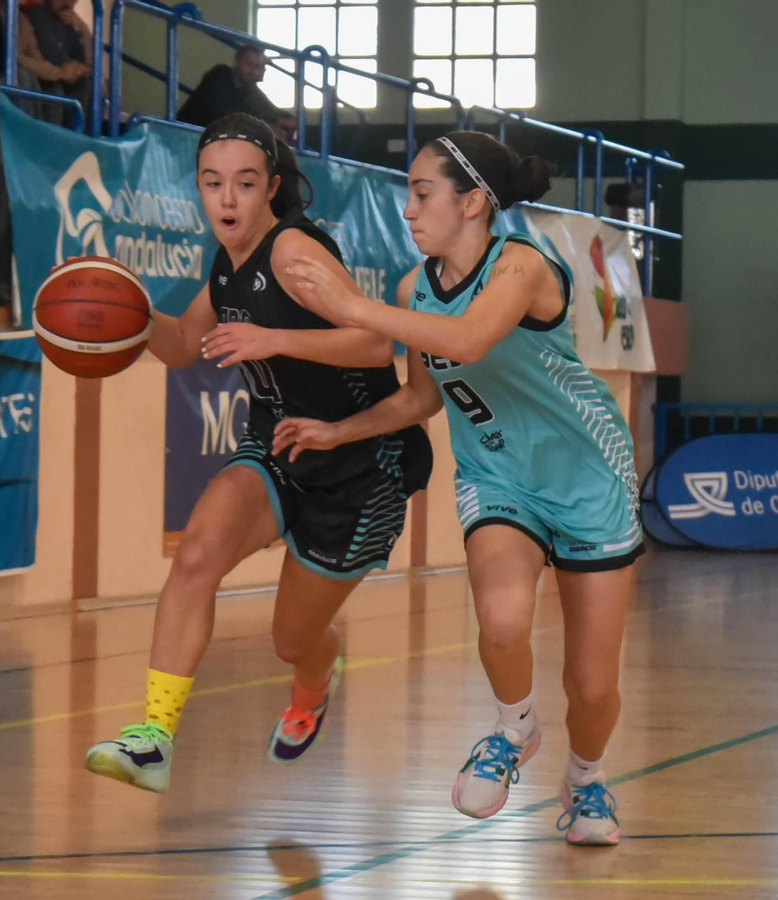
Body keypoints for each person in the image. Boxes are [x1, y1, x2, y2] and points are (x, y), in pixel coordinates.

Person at [277, 131, 641, 846]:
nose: (407, 209)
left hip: (588, 476)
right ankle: (515, 730)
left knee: (593, 687)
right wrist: (338, 429)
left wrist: (351, 307)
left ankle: (589, 779)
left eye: (421, 192)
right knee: (502, 624)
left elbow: (469, 340)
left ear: (473, 201)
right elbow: (422, 397)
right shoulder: (415, 290)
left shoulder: (523, 267)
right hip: (498, 476)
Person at [83, 113, 432, 793]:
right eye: (212, 184)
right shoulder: (227, 263)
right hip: (277, 444)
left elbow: (372, 344)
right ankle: (153, 738)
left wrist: (276, 341)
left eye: (244, 183)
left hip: (363, 464)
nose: (227, 199)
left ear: (271, 186)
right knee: (196, 554)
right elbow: (184, 344)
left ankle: (312, 685)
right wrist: (121, 307)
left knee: (292, 641)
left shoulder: (293, 253)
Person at [179, 43, 281, 129]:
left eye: (257, 66)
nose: (253, 71)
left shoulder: (251, 91)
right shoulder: (219, 74)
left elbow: (272, 114)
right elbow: (224, 112)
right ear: (236, 63)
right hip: (185, 133)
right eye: (248, 64)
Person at [24, 0, 90, 115]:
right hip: (42, 76)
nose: (67, 3)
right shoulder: (36, 15)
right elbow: (58, 60)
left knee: (92, 87)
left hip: (61, 78)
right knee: (57, 90)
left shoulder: (69, 25)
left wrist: (85, 30)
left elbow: (91, 68)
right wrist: (80, 69)